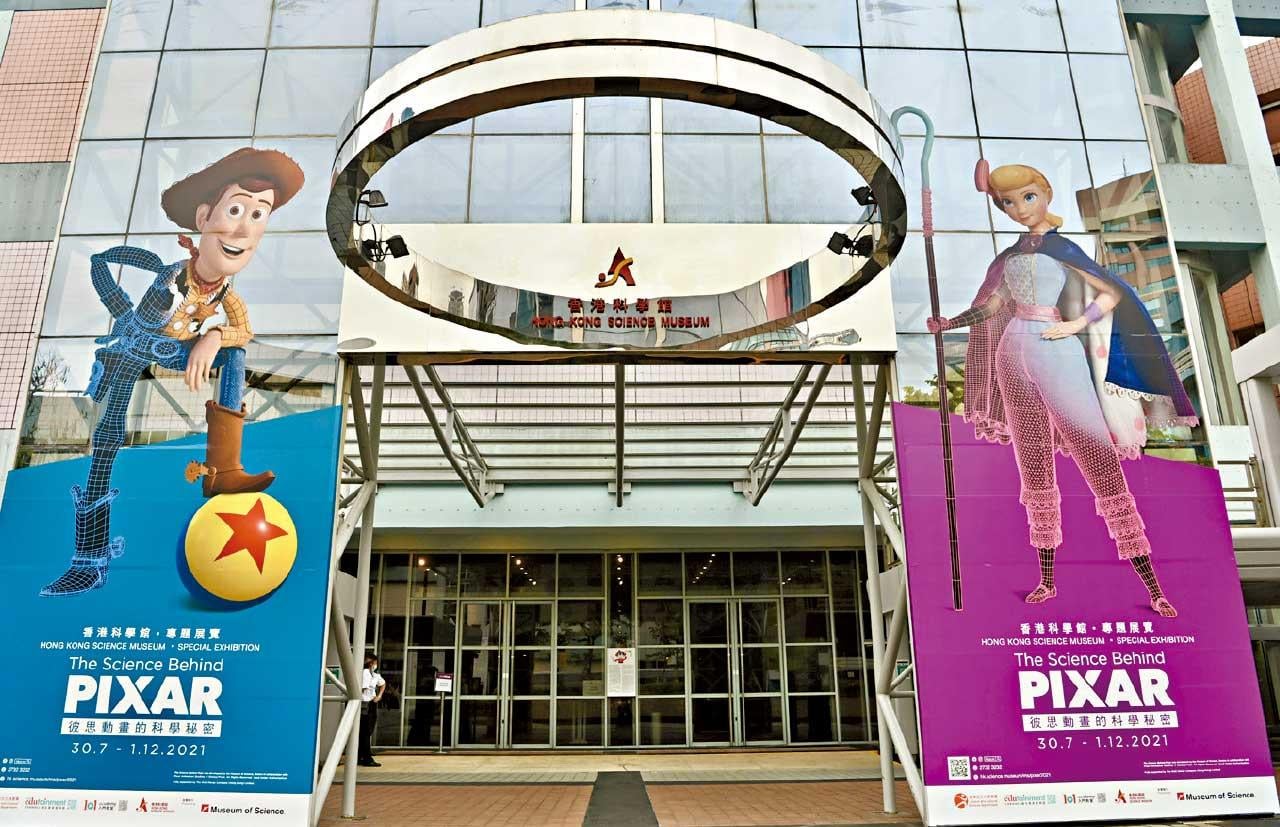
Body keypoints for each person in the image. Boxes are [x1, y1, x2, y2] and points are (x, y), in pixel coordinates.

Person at [926, 161, 1198, 618]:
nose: (1018, 209)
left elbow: (1111, 294)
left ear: (1045, 194)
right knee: (1032, 465)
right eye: (1007, 203)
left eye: (1026, 197)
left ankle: (1152, 586)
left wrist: (1076, 323)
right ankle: (1047, 580)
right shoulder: (1009, 257)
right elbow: (992, 306)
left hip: (1056, 347)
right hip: (1012, 353)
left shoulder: (1064, 248)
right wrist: (950, 322)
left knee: (1098, 457)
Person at [39, 148, 304, 597]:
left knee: (235, 354)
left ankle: (224, 466)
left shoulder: (225, 295)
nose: (244, 228)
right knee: (107, 441)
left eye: (258, 215)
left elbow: (243, 329)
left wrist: (215, 336)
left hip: (175, 351)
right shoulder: (168, 279)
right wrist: (125, 312)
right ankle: (88, 558)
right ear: (203, 218)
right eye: (235, 210)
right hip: (132, 353)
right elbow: (103, 269)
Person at [359, 655, 386, 767]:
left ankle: (362, 755)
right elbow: (363, 688)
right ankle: (366, 758)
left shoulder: (374, 674)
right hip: (364, 704)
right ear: (371, 663)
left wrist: (379, 696)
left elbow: (383, 683)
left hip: (371, 703)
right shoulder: (365, 673)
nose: (375, 665)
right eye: (375, 663)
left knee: (366, 731)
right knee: (365, 731)